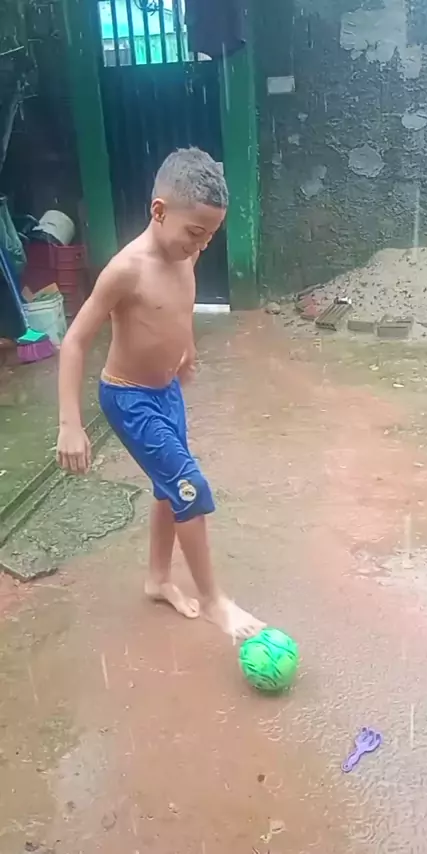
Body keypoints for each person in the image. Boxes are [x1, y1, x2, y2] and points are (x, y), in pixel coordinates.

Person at [56, 147, 264, 639]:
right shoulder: (126, 269)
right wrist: (70, 424)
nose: (202, 244)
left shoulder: (186, 253)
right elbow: (75, 341)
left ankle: (157, 579)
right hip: (128, 398)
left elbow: (179, 305)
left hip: (166, 391)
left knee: (168, 489)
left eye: (211, 234)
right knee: (190, 486)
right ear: (159, 210)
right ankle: (213, 601)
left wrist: (186, 347)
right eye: (195, 232)